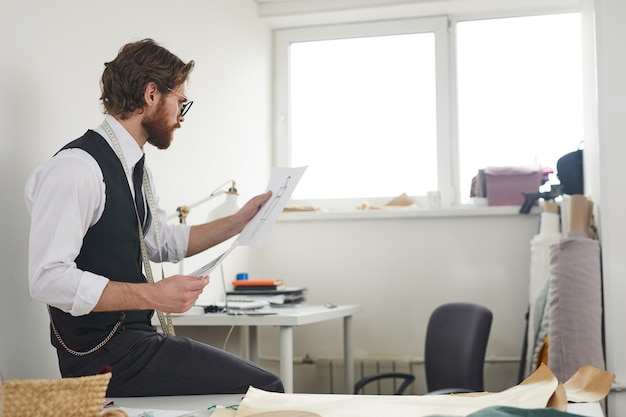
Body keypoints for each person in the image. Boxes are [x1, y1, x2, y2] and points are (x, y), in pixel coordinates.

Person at [24, 38, 284, 396]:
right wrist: (153, 295)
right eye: (181, 102)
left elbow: (159, 243)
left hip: (134, 343)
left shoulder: (135, 168)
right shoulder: (76, 169)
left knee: (254, 387)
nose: (181, 116)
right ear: (151, 94)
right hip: (100, 357)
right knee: (266, 386)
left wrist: (239, 221)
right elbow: (47, 279)